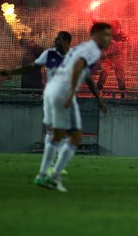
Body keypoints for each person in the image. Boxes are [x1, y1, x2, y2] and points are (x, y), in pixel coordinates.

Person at [0, 32, 106, 176]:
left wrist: (98, 98)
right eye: (55, 39)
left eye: (59, 40)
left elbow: (87, 78)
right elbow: (31, 67)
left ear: (67, 41)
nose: (56, 42)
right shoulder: (49, 54)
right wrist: (11, 71)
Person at [34, 23, 112, 192]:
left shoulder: (84, 48)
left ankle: (45, 175)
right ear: (96, 35)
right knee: (68, 136)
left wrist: (97, 98)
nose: (109, 39)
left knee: (61, 135)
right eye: (106, 35)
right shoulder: (92, 50)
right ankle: (50, 176)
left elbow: (85, 75)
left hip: (56, 89)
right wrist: (70, 94)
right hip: (62, 91)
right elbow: (77, 68)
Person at [96, 19, 127, 92]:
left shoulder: (122, 35)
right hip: (108, 58)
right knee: (104, 72)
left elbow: (125, 45)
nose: (117, 30)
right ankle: (98, 90)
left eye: (118, 28)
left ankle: (123, 93)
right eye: (115, 28)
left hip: (118, 58)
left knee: (120, 76)